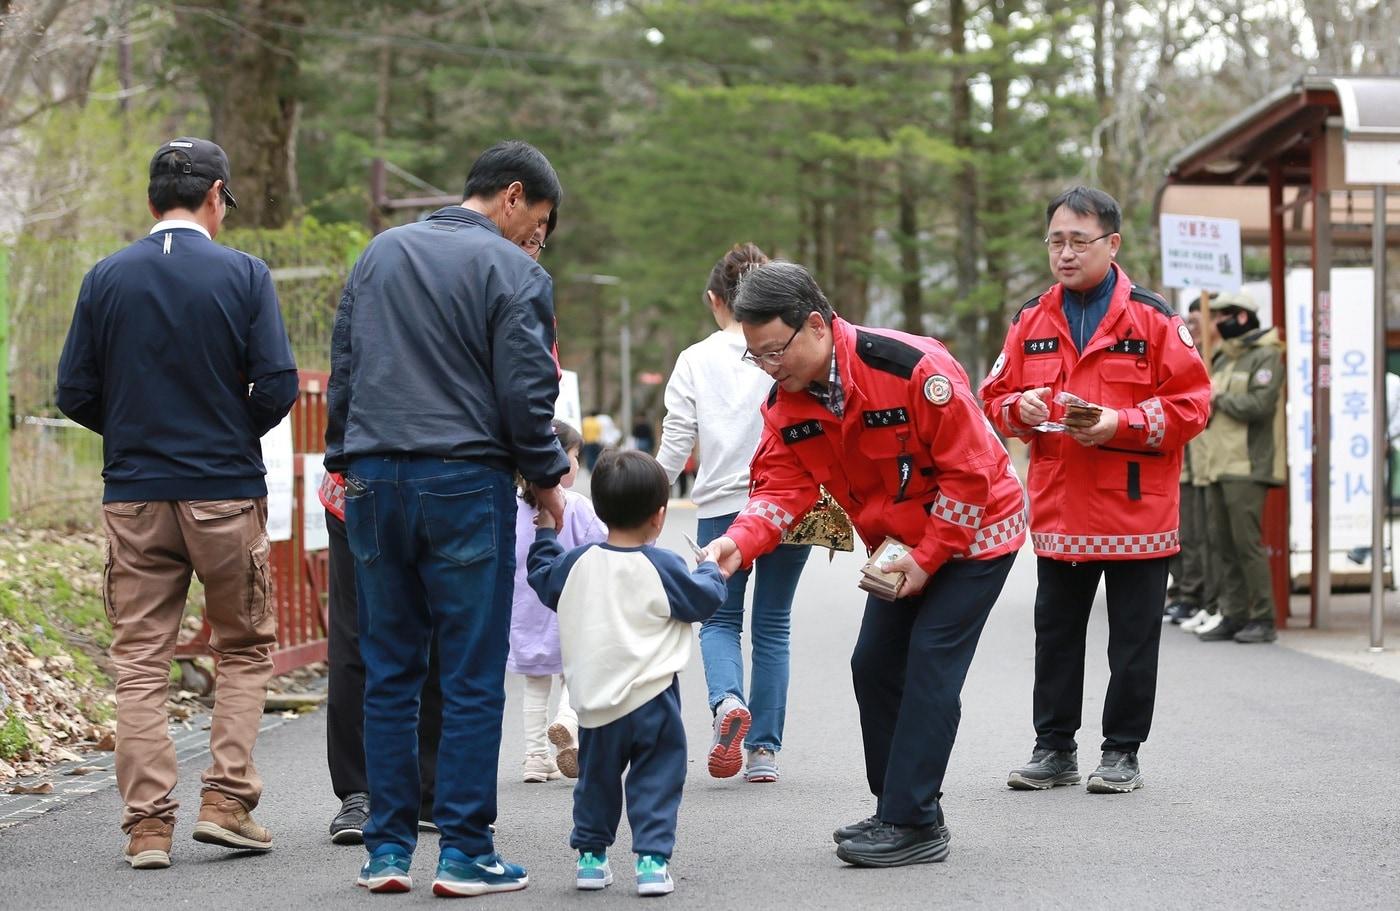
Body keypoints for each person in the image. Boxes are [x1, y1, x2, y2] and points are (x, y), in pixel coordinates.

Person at [701, 262, 1027, 868]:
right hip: (899, 548)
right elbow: (779, 489)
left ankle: (911, 821)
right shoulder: (786, 404)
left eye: (776, 351)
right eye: (757, 357)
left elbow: (971, 471)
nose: (770, 367)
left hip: (979, 531)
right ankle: (899, 810)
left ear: (818, 325)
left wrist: (929, 560)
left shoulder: (908, 367)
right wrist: (737, 543)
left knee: (930, 662)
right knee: (873, 663)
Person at [325, 139, 566, 896]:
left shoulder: (378, 254)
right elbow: (528, 387)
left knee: (389, 667)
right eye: (541, 222)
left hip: (372, 475)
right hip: (464, 476)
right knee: (467, 671)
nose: (538, 239)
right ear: (514, 194)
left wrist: (342, 458)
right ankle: (464, 850)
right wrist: (547, 475)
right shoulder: (514, 271)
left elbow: (346, 367)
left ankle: (387, 850)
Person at [55, 137, 297, 869]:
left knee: (139, 658)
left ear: (152, 199)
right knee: (245, 645)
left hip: (135, 496)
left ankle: (147, 828)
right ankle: (225, 801)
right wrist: (225, 435)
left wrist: (135, 437)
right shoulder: (244, 274)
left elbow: (74, 391)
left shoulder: (105, 277)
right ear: (216, 195)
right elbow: (279, 384)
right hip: (223, 492)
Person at [979, 186, 1210, 795]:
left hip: (1137, 510)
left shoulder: (1155, 319)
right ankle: (1053, 748)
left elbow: (1193, 407)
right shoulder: (1030, 319)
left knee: (1132, 643)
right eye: (1056, 240)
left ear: (1112, 244)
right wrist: (1020, 408)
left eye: (1079, 241)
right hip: (1060, 510)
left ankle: (1121, 752)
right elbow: (994, 400)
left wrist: (1120, 424)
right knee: (1056, 635)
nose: (1065, 253)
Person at [527, 450, 727, 896]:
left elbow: (541, 576)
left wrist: (544, 532)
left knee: (596, 778)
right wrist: (712, 568)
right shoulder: (664, 565)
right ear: (660, 517)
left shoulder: (575, 563)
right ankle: (652, 862)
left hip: (596, 701)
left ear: (599, 509)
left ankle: (592, 858)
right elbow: (702, 600)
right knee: (657, 776)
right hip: (654, 697)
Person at [655, 242, 811, 784]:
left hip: (722, 504)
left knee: (719, 618)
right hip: (791, 501)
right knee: (774, 625)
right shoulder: (789, 346)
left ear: (713, 299)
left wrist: (649, 494)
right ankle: (764, 752)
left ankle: (727, 705)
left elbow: (677, 439)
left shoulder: (696, 358)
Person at [509, 419, 607, 782]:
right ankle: (567, 720)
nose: (578, 463)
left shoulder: (510, 508)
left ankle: (535, 758)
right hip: (570, 607)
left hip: (524, 610)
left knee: (535, 684)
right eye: (575, 455)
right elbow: (602, 545)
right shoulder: (577, 506)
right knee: (575, 676)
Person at [1195, 290, 1285, 644]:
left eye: (1222, 316)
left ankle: (1263, 618)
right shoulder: (1222, 358)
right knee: (1223, 544)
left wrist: (1221, 397)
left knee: (1246, 544)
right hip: (1218, 462)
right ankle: (1233, 614)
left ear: (1243, 317)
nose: (1216, 323)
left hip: (1247, 464)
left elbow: (1261, 404)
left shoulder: (1266, 356)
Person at [1166, 304, 1212, 625]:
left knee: (1204, 539)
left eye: (1199, 322)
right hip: (1187, 463)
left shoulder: (1215, 359)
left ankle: (1203, 598)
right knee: (1183, 536)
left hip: (1212, 464)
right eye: (1190, 321)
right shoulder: (1181, 352)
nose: (1193, 328)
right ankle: (1184, 591)